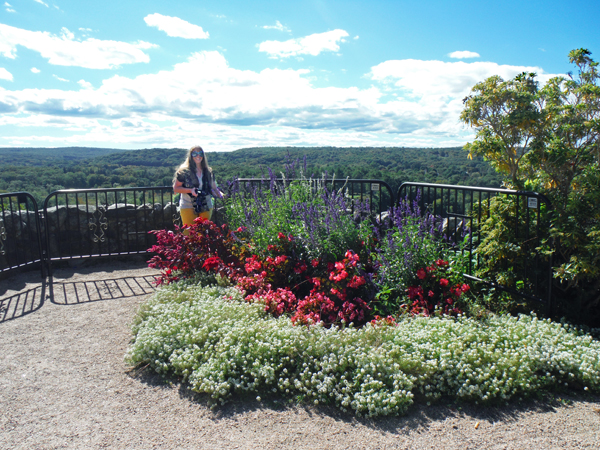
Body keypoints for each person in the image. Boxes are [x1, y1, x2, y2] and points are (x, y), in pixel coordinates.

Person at [172, 145, 223, 229]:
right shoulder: (183, 172)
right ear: (190, 156)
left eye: (200, 153)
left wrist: (222, 196)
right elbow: (176, 188)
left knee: (203, 233)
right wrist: (190, 190)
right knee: (189, 233)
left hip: (206, 205)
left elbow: (214, 188)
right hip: (187, 205)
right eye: (195, 154)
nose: (198, 156)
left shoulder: (208, 171)